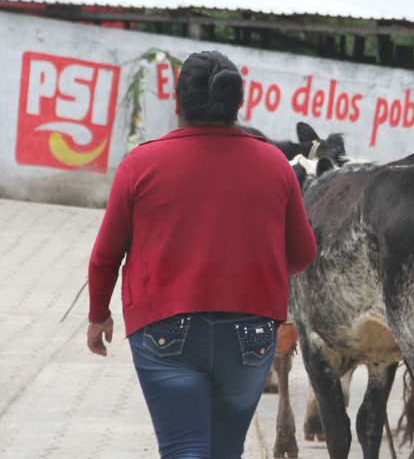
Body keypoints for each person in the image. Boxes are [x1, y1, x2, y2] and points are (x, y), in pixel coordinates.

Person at [86, 50, 316, 459]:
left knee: (185, 450)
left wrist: (98, 314)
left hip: (163, 329)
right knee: (225, 451)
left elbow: (105, 256)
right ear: (238, 103)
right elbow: (302, 253)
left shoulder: (140, 164)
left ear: (176, 102)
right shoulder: (275, 164)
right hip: (251, 332)